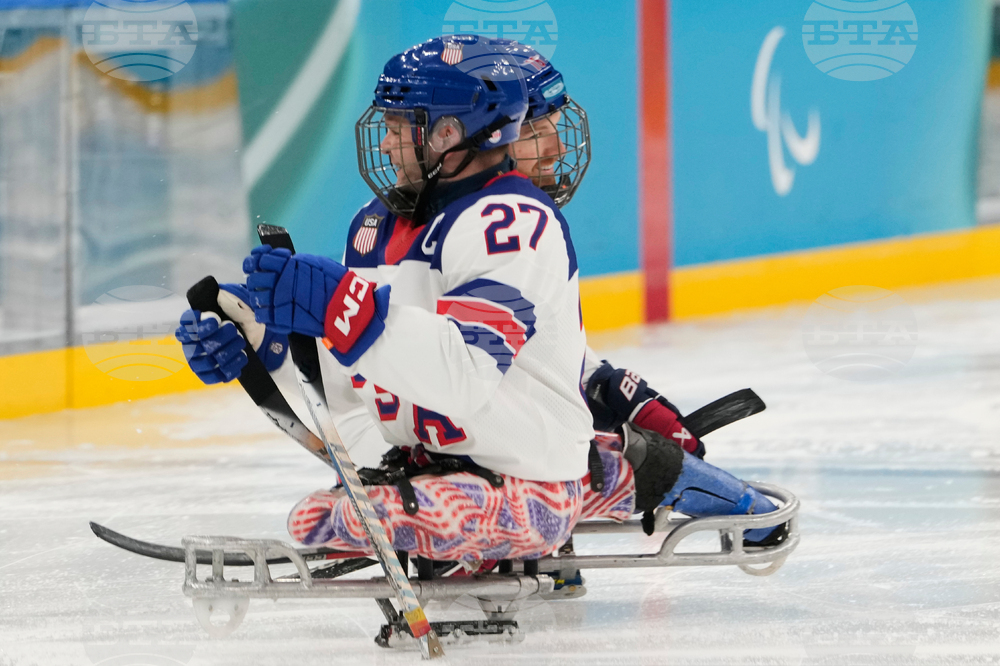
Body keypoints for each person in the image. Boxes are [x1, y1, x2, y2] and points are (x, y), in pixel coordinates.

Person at [175, 35, 784, 569]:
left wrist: (340, 307)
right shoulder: (380, 225)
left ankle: (609, 497)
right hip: (439, 453)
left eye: (540, 128)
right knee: (348, 505)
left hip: (500, 465)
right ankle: (642, 481)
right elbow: (365, 378)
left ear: (451, 134)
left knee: (327, 518)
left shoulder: (507, 220)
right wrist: (267, 343)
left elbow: (465, 366)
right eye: (536, 130)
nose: (548, 150)